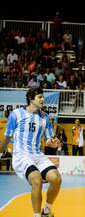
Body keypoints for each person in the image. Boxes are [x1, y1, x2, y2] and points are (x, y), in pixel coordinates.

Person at [0, 87, 62, 217]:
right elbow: (7, 138)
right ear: (31, 99)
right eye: (39, 97)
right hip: (22, 156)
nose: (42, 99)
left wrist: (53, 143)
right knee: (36, 180)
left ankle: (46, 210)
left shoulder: (45, 117)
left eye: (43, 96)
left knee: (56, 179)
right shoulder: (16, 114)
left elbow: (49, 139)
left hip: (38, 155)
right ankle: (36, 215)